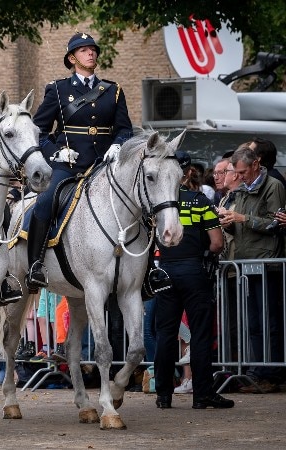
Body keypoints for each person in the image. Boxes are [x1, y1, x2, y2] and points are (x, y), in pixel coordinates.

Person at [28, 32, 133, 292]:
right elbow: (38, 131)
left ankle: (151, 270)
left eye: (93, 50)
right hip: (69, 165)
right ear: (72, 58)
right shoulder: (58, 90)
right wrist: (55, 153)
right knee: (45, 200)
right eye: (84, 50)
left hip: (104, 165)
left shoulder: (113, 90)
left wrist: (119, 144)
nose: (91, 54)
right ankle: (36, 265)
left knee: (137, 201)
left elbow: (125, 129)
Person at [154, 150, 232, 409]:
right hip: (194, 271)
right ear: (187, 173)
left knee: (165, 334)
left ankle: (163, 395)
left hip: (164, 270)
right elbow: (217, 243)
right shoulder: (199, 201)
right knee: (199, 334)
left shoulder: (158, 204)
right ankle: (202, 395)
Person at [219, 143, 286, 393]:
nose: (240, 177)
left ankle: (272, 373)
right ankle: (259, 371)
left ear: (256, 164)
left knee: (270, 322)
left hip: (268, 263)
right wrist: (227, 223)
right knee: (254, 322)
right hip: (247, 263)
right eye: (236, 173)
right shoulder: (244, 191)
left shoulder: (273, 186)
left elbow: (275, 224)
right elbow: (241, 228)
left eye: (243, 172)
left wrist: (242, 218)